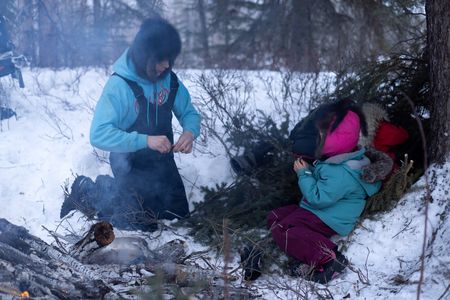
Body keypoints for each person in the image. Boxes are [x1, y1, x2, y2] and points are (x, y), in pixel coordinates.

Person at [60, 17, 201, 231]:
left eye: (170, 59)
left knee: (178, 216)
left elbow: (189, 113)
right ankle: (87, 190)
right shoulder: (119, 86)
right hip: (129, 163)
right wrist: (145, 140)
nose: (167, 65)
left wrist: (190, 132)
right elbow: (98, 134)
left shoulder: (169, 80)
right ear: (145, 55)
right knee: (139, 223)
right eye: (161, 59)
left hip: (162, 161)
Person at [241, 100, 386, 283]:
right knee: (277, 215)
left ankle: (328, 259)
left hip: (330, 217)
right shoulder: (339, 160)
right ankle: (294, 246)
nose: (316, 138)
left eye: (320, 134)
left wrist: (304, 173)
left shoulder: (341, 173)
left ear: (336, 139)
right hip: (320, 211)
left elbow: (318, 198)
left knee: (285, 229)